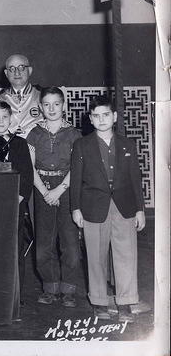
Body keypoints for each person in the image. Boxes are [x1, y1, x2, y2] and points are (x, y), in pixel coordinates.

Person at [70, 95, 146, 322]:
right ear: (90, 120)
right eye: (96, 116)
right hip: (93, 207)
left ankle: (125, 302)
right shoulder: (81, 145)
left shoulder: (128, 144)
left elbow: (135, 178)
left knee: (126, 255)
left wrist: (140, 209)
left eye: (105, 115)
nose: (101, 119)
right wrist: (76, 208)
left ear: (114, 117)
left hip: (124, 207)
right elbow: (76, 180)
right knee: (95, 257)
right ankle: (100, 302)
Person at [26, 87, 82, 308]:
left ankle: (68, 289)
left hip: (67, 189)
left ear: (64, 106)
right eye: (46, 104)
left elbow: (78, 166)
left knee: (70, 243)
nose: (51, 109)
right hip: (42, 190)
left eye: (56, 104)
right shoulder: (34, 133)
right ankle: (50, 286)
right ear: (40, 107)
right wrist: (45, 192)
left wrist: (59, 190)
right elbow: (29, 166)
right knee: (43, 244)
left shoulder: (74, 134)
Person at [0, 100, 33, 303]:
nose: (1, 121)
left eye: (5, 117)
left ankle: (15, 296)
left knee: (14, 249)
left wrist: (16, 202)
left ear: (11, 118)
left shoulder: (19, 144)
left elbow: (27, 176)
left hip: (14, 206)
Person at [0, 54, 42, 138]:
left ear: (29, 70)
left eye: (21, 67)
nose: (17, 72)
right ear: (6, 73)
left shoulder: (43, 97)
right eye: (12, 69)